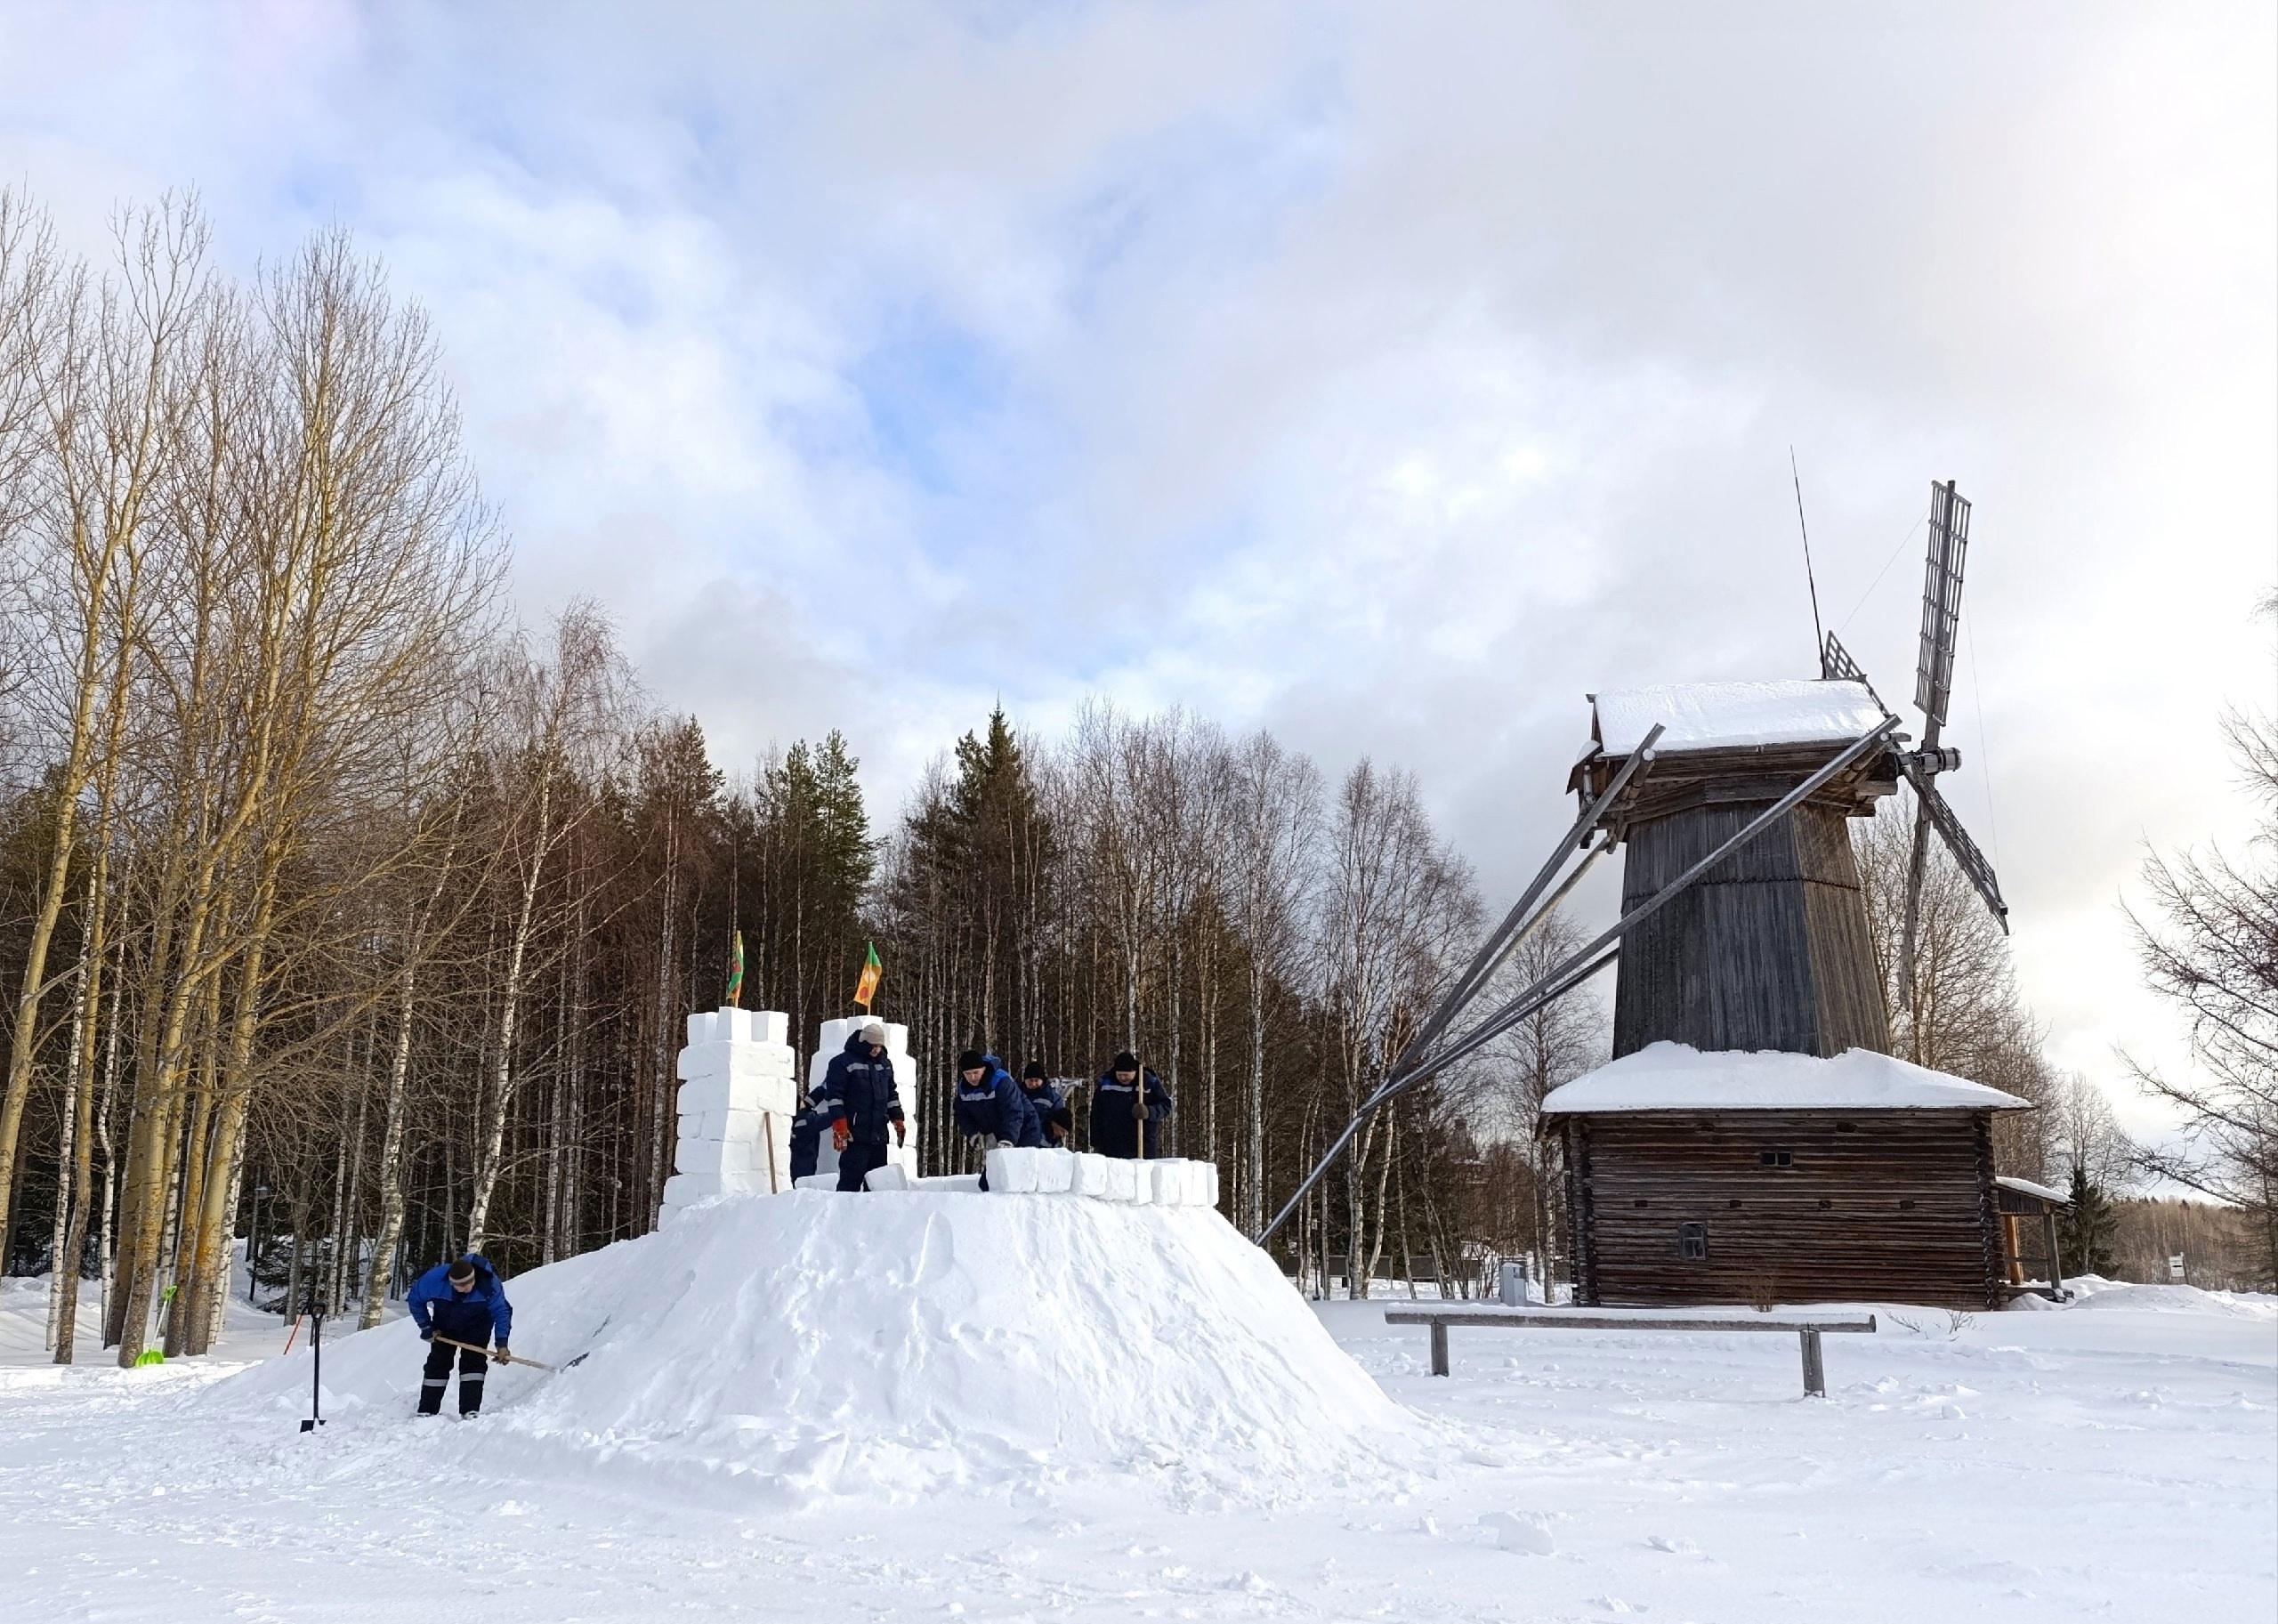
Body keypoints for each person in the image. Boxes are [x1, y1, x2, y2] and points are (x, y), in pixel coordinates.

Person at [407, 1254, 513, 1418]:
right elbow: (415, 1300)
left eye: (470, 1283)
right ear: (451, 1283)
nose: (467, 1288)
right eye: (462, 1286)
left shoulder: (489, 1284)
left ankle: (470, 1411)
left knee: (473, 1365)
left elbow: (503, 1312)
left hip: (478, 1324)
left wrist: (502, 1344)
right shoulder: (434, 1281)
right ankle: (427, 1410)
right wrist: (427, 1327)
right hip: (445, 1325)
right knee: (437, 1363)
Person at [823, 1020, 906, 1192]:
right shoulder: (842, 1062)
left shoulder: (885, 1064)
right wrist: (839, 1124)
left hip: (879, 1134)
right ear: (863, 1042)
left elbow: (891, 1094)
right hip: (854, 1134)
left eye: (879, 1046)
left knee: (878, 1183)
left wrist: (897, 1118)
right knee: (850, 1181)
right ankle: (844, 1215)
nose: (876, 1049)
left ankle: (874, 1217)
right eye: (873, 1045)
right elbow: (835, 1097)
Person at [954, 1050, 1040, 1156]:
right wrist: (974, 1134)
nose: (972, 1077)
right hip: (998, 1131)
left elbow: (1013, 1111)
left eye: (976, 1072)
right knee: (994, 1171)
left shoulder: (1001, 1081)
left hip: (1025, 1127)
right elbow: (962, 1115)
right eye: (968, 1074)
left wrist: (1007, 1139)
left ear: (983, 1069)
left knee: (1019, 1167)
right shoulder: (963, 1089)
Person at [1090, 1049, 1171, 1159]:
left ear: (1134, 1072)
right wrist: (1096, 1141)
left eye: (1126, 1075)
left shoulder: (1148, 1082)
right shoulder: (1106, 1083)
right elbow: (1096, 1113)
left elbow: (1166, 1106)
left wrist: (1148, 1112)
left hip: (1142, 1146)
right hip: (1110, 1146)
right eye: (1120, 1075)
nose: (1123, 1078)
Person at [1020, 1061, 1072, 1146]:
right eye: (1030, 1081)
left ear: (1042, 1080)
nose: (1033, 1084)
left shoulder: (1051, 1097)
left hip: (1044, 1143)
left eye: (1036, 1080)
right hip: (1021, 1140)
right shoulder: (1017, 1095)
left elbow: (1061, 1121)